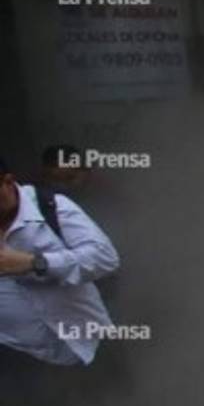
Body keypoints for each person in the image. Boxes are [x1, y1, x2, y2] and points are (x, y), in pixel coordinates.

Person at [0, 154, 120, 366]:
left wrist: (36, 263)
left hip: (87, 349)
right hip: (20, 364)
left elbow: (105, 258)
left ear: (8, 181)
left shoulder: (50, 207)